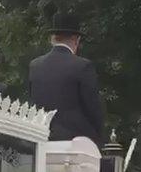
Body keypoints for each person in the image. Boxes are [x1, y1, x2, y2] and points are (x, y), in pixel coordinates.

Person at [28, 12, 105, 145]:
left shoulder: (35, 66)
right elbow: (93, 110)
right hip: (75, 143)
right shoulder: (83, 66)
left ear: (53, 38)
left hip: (41, 140)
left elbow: (32, 104)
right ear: (76, 39)